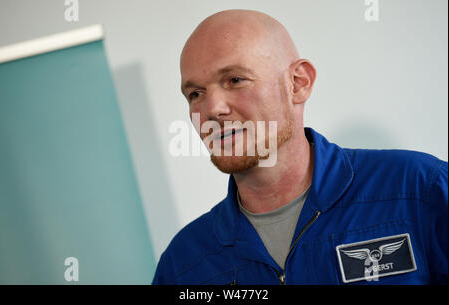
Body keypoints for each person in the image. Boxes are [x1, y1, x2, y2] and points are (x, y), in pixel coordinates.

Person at [152, 9, 448, 284]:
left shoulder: (420, 190)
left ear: (298, 83)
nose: (213, 108)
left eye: (235, 79)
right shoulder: (183, 264)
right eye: (195, 93)